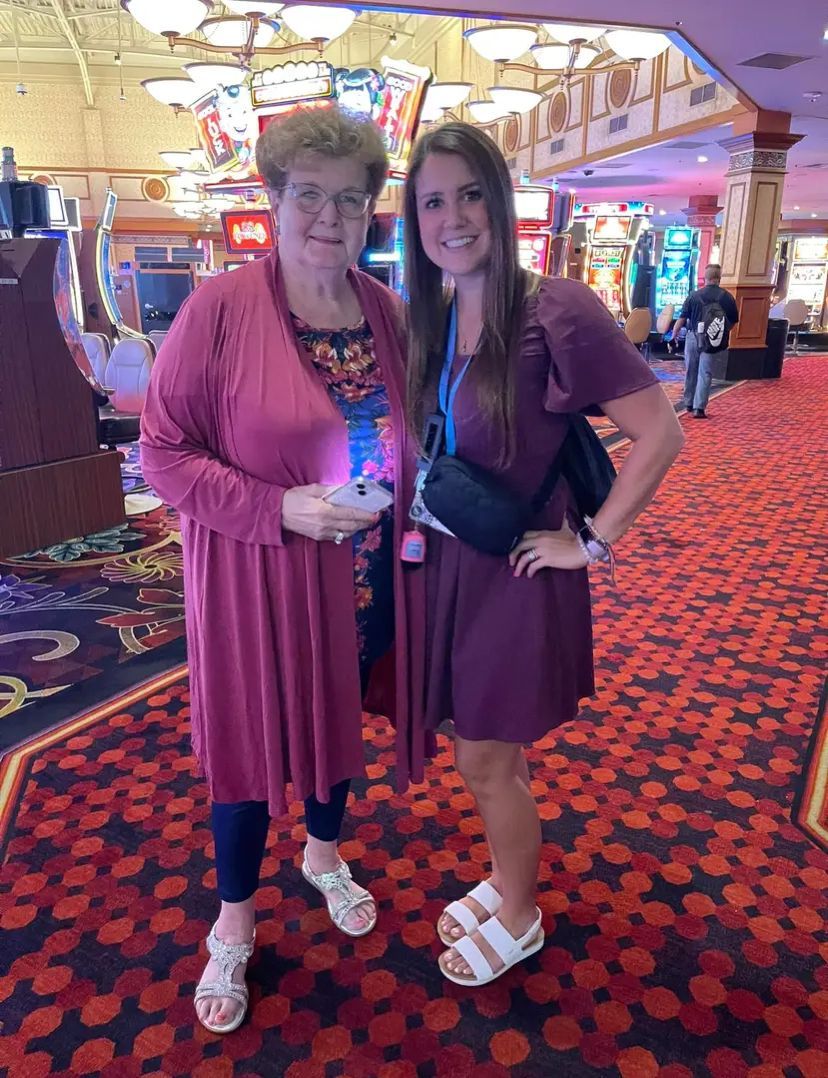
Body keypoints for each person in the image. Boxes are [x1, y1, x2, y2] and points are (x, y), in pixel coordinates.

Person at [140, 106, 426, 1035]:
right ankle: (233, 919)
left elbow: (414, 432)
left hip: (365, 575)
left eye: (351, 200)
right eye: (309, 194)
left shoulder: (386, 311)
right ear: (273, 197)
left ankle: (323, 850)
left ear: (373, 211)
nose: (329, 218)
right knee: (251, 745)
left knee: (338, 718)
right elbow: (162, 452)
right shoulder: (219, 308)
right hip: (254, 580)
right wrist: (278, 509)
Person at [403, 122, 684, 988]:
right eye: (433, 201)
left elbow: (660, 435)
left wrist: (593, 543)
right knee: (496, 748)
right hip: (454, 562)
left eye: (471, 193)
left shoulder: (556, 306)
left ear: (501, 197)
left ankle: (520, 917)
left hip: (520, 568)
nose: (454, 218)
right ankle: (504, 875)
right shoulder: (439, 313)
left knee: (483, 756)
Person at [672, 263, 739, 418]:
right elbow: (734, 320)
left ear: (705, 277)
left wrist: (674, 334)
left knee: (691, 370)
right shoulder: (727, 297)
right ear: (719, 278)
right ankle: (699, 408)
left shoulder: (694, 295)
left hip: (693, 336)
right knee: (705, 372)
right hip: (712, 338)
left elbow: (682, 318)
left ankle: (688, 402)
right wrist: (721, 332)